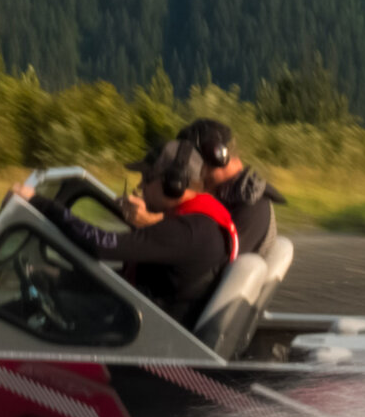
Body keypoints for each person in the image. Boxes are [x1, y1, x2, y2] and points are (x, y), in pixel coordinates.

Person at [17, 140, 237, 324]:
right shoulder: (199, 221)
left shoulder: (187, 231)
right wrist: (59, 276)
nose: (140, 186)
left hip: (145, 339)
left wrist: (37, 203)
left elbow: (100, 244)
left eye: (147, 177)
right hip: (145, 319)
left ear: (173, 183)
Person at [177, 115, 279, 257]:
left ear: (218, 156)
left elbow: (209, 261)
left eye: (193, 163)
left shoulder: (250, 201)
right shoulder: (229, 194)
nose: (191, 173)